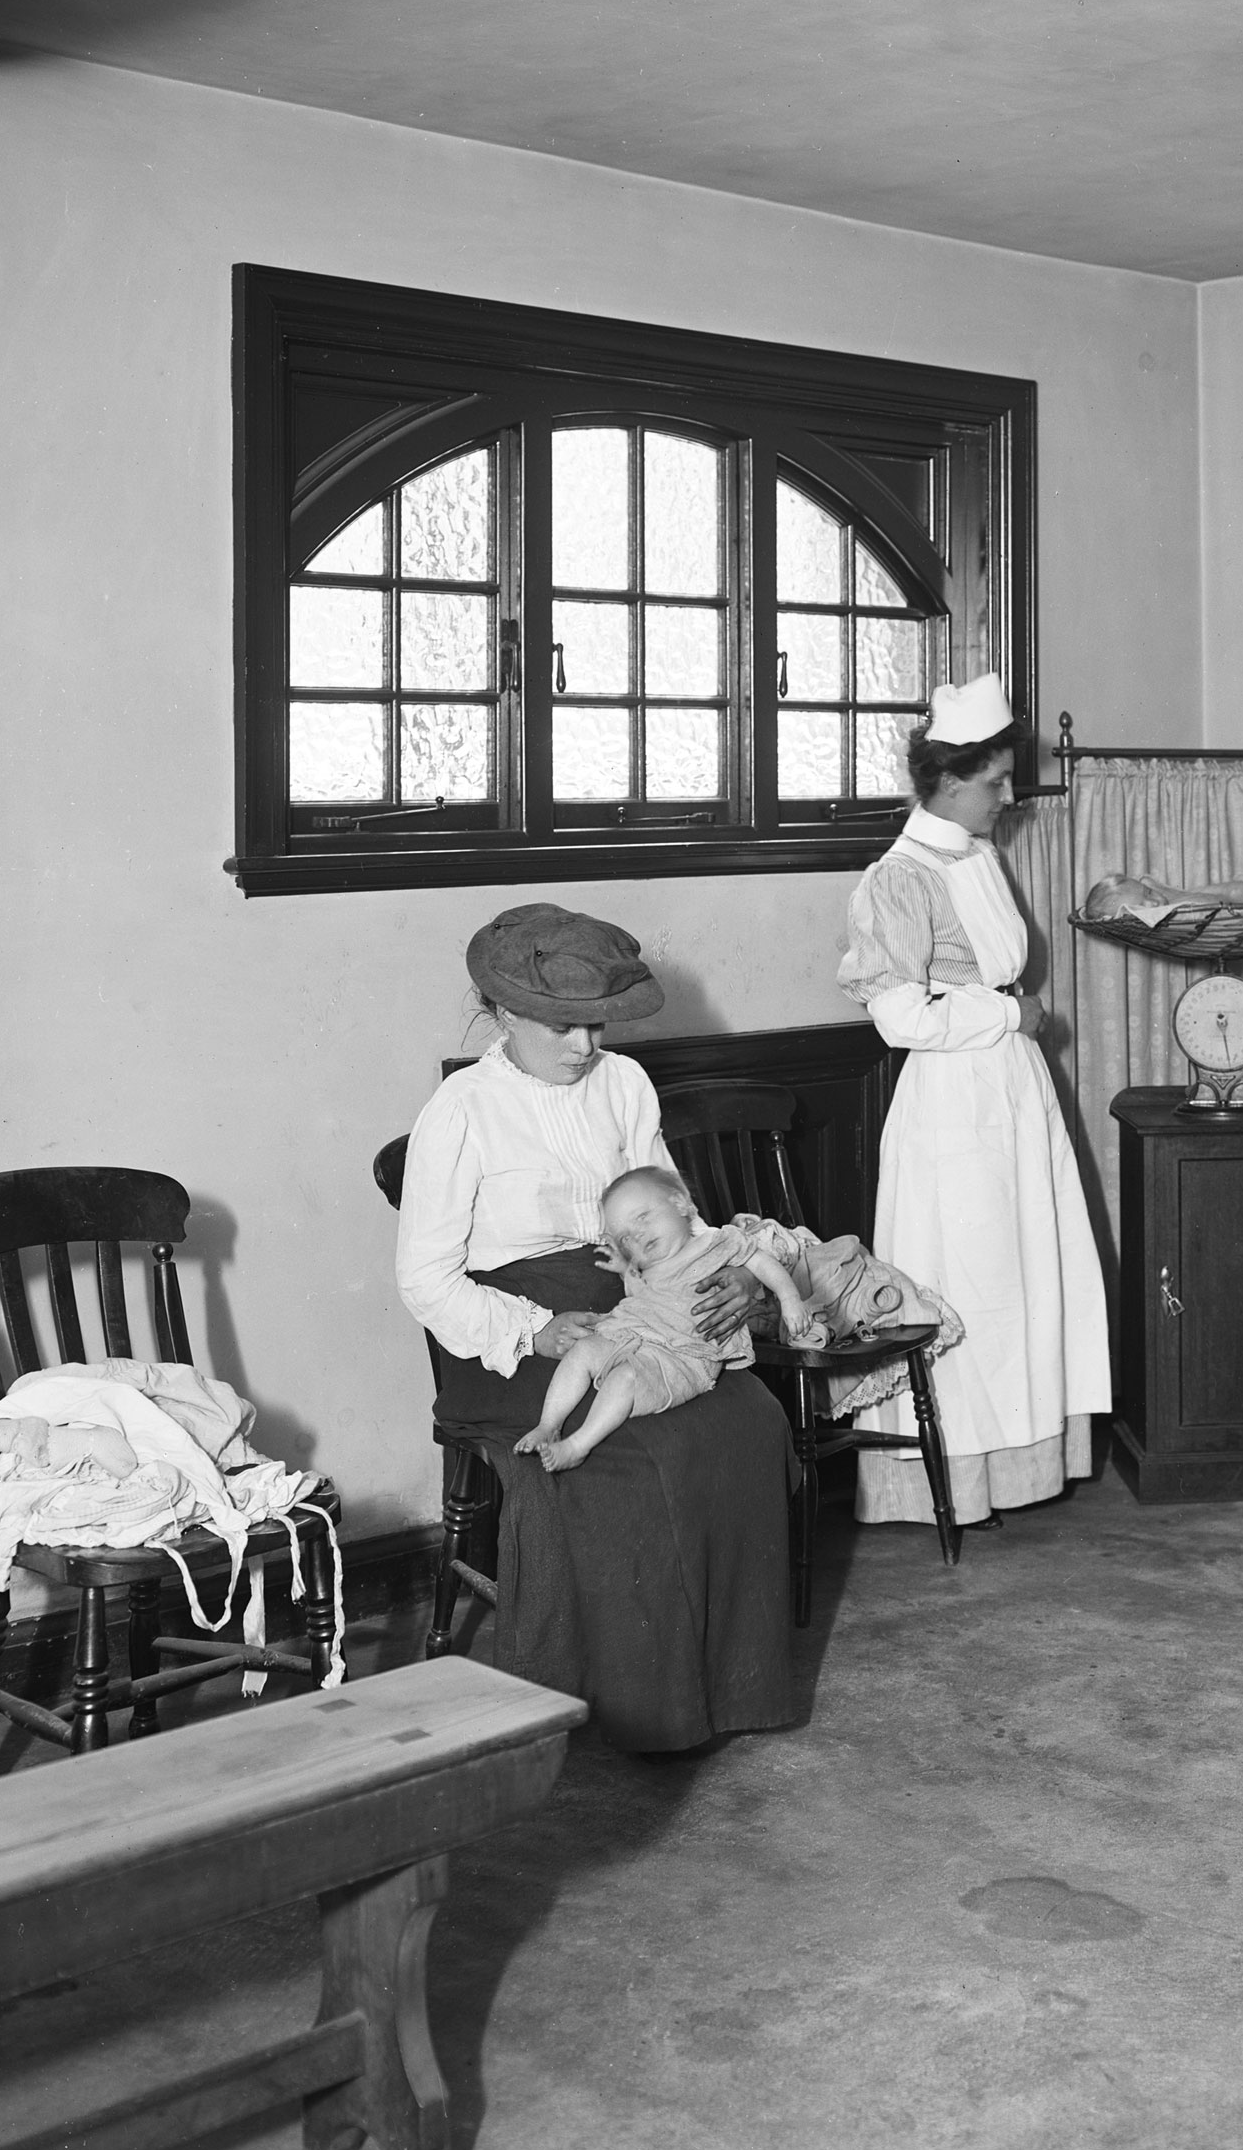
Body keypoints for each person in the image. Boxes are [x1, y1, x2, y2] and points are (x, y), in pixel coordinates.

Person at [394, 903, 796, 1751]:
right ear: (502, 1012)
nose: (585, 1047)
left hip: (635, 1300)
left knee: (750, 1420)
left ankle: (732, 1688)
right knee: (633, 1451)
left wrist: (719, 1274)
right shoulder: (460, 1110)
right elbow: (424, 1277)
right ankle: (634, 1709)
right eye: (563, 1026)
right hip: (506, 1327)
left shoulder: (624, 1083)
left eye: (597, 1026)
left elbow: (669, 1212)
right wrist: (535, 1330)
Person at [837, 672, 1109, 1527]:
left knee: (1025, 1272)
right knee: (972, 1275)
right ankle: (948, 1477)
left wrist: (1012, 1024)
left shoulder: (978, 853)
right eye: (994, 781)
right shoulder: (897, 878)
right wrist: (1009, 1011)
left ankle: (1020, 1468)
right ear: (950, 781)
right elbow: (898, 1017)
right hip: (954, 1101)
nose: (1009, 794)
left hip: (1012, 1090)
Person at [516, 1168, 819, 1473]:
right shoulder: (647, 1265)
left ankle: (578, 1445)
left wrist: (790, 1299)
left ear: (681, 1204)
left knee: (625, 1379)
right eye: (625, 1237)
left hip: (683, 1356)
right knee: (581, 1352)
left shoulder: (719, 1242)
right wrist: (626, 1270)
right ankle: (548, 1425)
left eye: (643, 1217)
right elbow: (640, 1296)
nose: (636, 1235)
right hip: (635, 1333)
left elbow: (763, 1264)